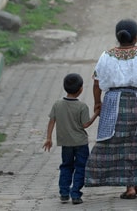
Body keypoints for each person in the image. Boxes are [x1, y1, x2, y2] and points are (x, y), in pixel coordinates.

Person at [85, 19, 137, 199]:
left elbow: (97, 83)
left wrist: (97, 103)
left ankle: (128, 186)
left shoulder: (106, 56)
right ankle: (136, 182)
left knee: (118, 145)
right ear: (136, 37)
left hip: (114, 103)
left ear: (117, 37)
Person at [43, 73, 98, 205]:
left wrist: (49, 138)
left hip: (65, 143)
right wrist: (96, 114)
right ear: (80, 89)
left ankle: (63, 192)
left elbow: (52, 121)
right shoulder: (82, 106)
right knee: (81, 167)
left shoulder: (57, 104)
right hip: (80, 143)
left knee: (66, 166)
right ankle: (75, 194)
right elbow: (85, 124)